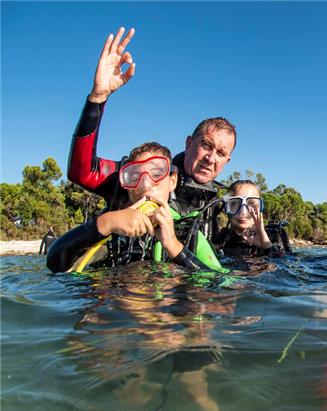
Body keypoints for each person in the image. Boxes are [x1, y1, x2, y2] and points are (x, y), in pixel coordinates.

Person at [67, 28, 236, 238]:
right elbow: (81, 172)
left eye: (221, 153)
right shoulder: (142, 175)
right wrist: (98, 98)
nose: (210, 158)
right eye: (206, 145)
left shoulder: (212, 200)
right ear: (189, 143)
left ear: (227, 161)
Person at [47, 142, 223, 273]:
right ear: (126, 186)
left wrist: (174, 245)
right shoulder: (112, 235)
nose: (145, 185)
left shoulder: (190, 237)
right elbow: (55, 264)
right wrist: (105, 223)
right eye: (134, 176)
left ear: (172, 181)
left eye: (156, 174)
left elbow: (221, 285)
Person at [212, 180, 291, 258]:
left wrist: (267, 246)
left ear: (260, 207)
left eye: (251, 203)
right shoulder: (219, 241)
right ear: (226, 207)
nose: (243, 213)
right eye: (235, 203)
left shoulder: (275, 237)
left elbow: (288, 264)